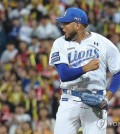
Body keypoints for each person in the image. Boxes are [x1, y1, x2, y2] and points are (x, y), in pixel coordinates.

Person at [49, 7, 120, 134]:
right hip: (69, 100)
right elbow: (64, 74)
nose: (62, 26)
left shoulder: (103, 42)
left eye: (66, 23)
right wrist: (86, 68)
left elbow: (118, 72)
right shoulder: (59, 43)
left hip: (96, 100)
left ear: (77, 25)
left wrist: (108, 97)